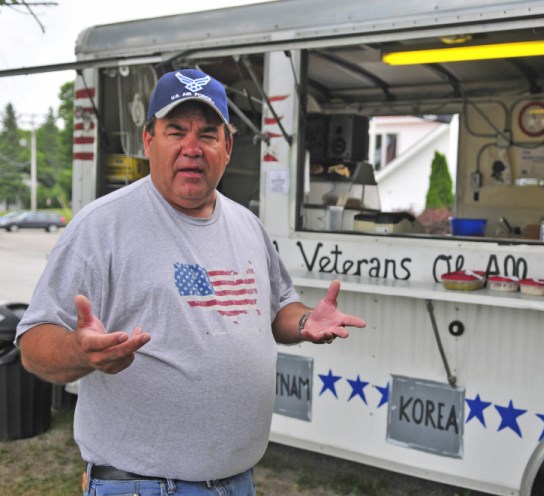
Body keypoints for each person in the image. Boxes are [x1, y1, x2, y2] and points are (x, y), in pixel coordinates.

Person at [15, 68, 366, 496]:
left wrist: (307, 319)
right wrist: (80, 352)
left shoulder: (248, 226)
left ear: (228, 146)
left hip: (236, 482)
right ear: (148, 141)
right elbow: (33, 341)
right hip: (141, 487)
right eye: (175, 131)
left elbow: (278, 310)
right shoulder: (101, 226)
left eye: (208, 134)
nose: (192, 148)